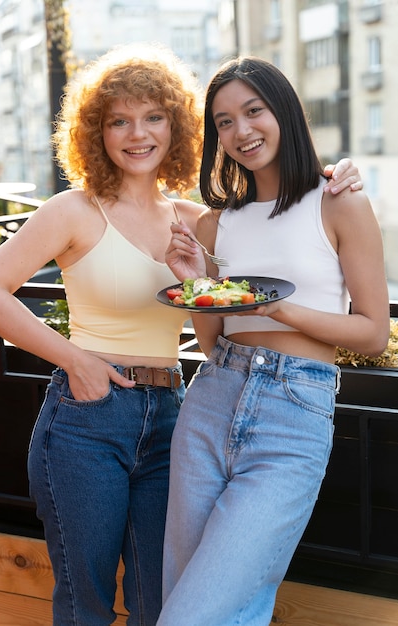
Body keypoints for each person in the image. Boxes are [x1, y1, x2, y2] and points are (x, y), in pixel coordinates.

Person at [0, 40, 361, 625]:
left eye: (154, 117)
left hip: (175, 418)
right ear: (95, 133)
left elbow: (220, 328)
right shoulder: (72, 210)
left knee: (161, 603)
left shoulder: (197, 221)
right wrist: (75, 361)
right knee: (85, 603)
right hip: (87, 417)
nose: (138, 135)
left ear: (179, 127)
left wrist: (337, 172)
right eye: (119, 121)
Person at [158, 56, 390, 626]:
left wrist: (277, 307)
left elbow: (374, 330)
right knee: (201, 596)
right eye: (225, 122)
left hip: (294, 414)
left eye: (253, 111)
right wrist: (196, 285)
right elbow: (213, 343)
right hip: (212, 401)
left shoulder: (339, 201)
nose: (241, 131)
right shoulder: (217, 225)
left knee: (196, 613)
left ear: (283, 110)